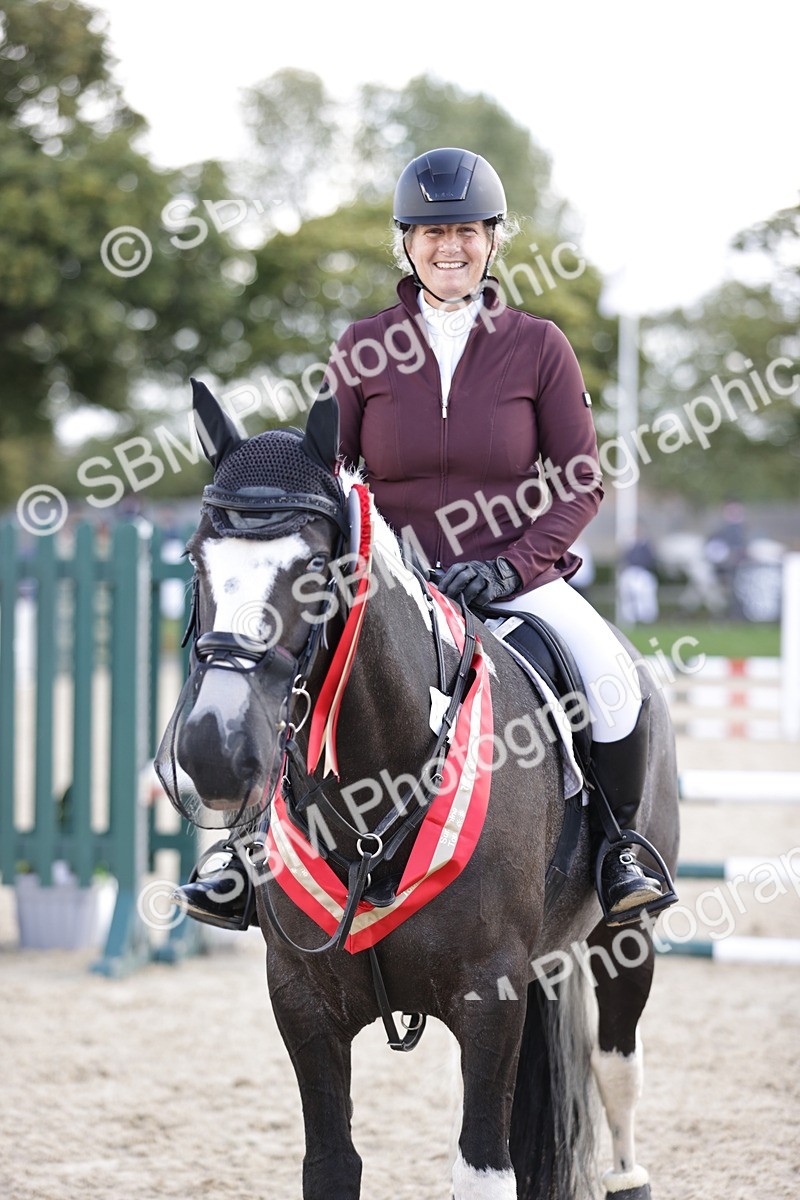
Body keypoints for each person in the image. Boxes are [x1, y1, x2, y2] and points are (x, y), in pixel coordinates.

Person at [180, 147, 673, 928]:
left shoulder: (538, 345)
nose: (452, 247)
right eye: (433, 231)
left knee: (611, 680)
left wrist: (513, 568)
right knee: (294, 675)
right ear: (405, 241)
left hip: (518, 576)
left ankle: (618, 851)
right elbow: (328, 473)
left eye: (469, 231)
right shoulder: (363, 346)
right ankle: (246, 853)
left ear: (494, 239)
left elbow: (581, 479)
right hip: (390, 580)